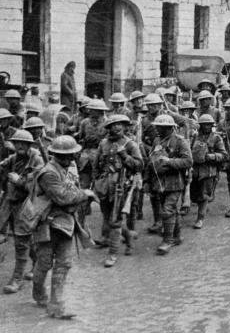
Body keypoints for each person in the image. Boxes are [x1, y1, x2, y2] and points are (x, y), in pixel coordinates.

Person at [29, 135, 98, 319]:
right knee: (43, 263)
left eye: (71, 155)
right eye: (65, 156)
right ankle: (38, 293)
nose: (70, 159)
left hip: (66, 223)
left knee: (64, 264)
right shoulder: (48, 173)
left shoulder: (68, 169)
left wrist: (77, 193)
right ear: (55, 155)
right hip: (47, 223)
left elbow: (70, 193)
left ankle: (56, 305)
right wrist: (84, 193)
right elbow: (62, 197)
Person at [92, 115, 143, 266]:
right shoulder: (103, 143)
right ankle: (129, 238)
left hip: (121, 186)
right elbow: (96, 165)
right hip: (104, 186)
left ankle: (113, 254)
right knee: (109, 219)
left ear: (125, 126)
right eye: (113, 125)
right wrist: (95, 182)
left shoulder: (130, 144)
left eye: (119, 125)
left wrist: (125, 156)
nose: (116, 127)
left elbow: (139, 165)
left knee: (114, 220)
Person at [0, 130, 44, 293]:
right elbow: (2, 166)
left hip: (28, 205)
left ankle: (17, 279)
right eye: (16, 142)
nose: (19, 145)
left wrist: (19, 181)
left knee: (20, 241)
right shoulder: (14, 158)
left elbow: (38, 187)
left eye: (23, 143)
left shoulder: (37, 160)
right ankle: (38, 262)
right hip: (11, 203)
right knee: (23, 238)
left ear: (29, 145)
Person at [147, 114, 192, 255]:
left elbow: (188, 161)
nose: (157, 130)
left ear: (168, 128)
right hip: (160, 182)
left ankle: (167, 240)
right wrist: (146, 181)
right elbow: (151, 161)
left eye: (160, 127)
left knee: (167, 210)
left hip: (175, 182)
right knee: (172, 210)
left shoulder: (180, 141)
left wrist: (169, 162)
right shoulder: (157, 140)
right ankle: (177, 236)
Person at [190, 114, 227, 229]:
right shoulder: (195, 137)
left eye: (209, 125)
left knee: (204, 195)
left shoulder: (216, 138)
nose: (207, 127)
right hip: (195, 169)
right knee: (194, 196)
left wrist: (212, 156)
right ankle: (203, 207)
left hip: (208, 170)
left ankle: (200, 218)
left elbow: (224, 155)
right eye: (204, 125)